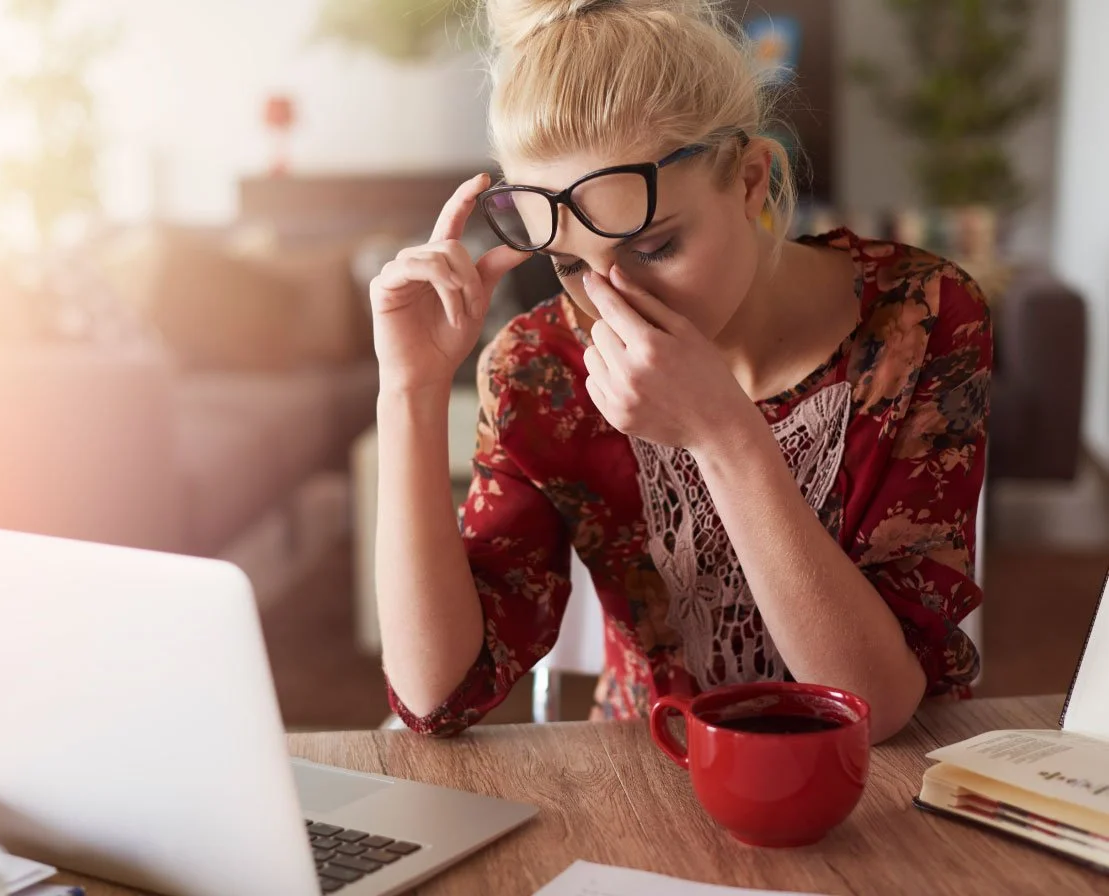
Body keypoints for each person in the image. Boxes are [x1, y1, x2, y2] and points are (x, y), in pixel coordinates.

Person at [368, 0, 991, 744]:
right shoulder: (544, 369)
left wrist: (723, 433)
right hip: (652, 781)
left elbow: (876, 707)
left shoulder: (919, 318)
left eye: (654, 246)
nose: (612, 301)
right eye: (569, 264)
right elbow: (437, 697)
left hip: (884, 802)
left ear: (752, 180)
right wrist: (410, 388)